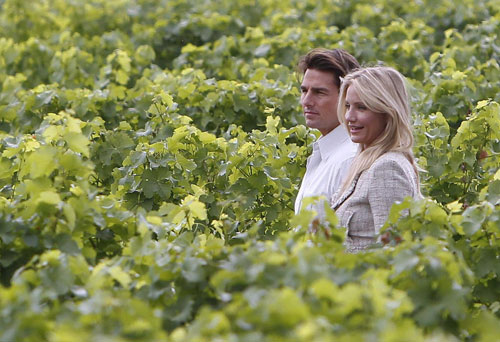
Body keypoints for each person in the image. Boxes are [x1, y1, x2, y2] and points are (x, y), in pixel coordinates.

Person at [331, 66, 420, 253]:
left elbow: (394, 254)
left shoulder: (387, 168)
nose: (349, 117)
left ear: (387, 113)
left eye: (362, 107)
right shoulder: (365, 161)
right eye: (348, 106)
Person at [294, 48, 360, 216]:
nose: (306, 101)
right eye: (304, 91)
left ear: (347, 97)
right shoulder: (324, 154)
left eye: (319, 92)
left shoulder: (348, 160)